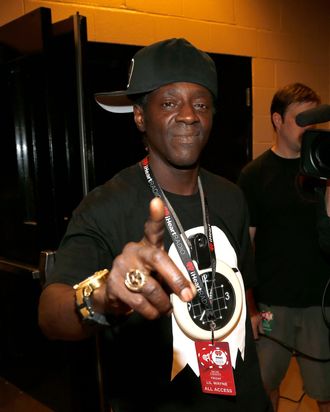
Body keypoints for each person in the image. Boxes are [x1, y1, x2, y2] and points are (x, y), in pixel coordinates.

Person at [38, 38, 272, 412]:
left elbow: (243, 279)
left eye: (200, 104)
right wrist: (103, 297)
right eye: (168, 103)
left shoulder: (231, 196)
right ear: (139, 116)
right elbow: (50, 314)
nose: (188, 115)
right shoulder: (105, 204)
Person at [237, 82, 330, 412]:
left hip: (320, 304)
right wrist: (249, 309)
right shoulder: (254, 175)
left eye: (314, 121)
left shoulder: (324, 170)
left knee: (325, 391)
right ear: (277, 120)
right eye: (301, 120)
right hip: (272, 305)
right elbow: (243, 249)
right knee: (265, 386)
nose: (309, 128)